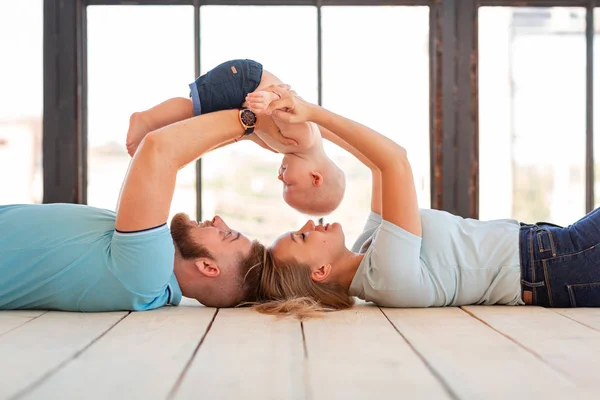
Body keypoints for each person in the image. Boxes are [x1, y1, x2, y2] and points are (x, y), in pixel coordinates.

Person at [253, 85, 600, 318]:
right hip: (557, 264)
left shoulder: (368, 252)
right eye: (301, 236)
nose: (309, 224)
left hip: (552, 253)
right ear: (320, 272)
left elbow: (376, 166)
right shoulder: (387, 276)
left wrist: (305, 131)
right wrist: (312, 114)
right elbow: (395, 161)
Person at [0, 109, 267, 312]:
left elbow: (158, 149)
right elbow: (154, 157)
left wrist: (251, 120)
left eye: (227, 234)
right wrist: (247, 133)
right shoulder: (145, 278)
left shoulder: (147, 272)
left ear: (207, 267)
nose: (219, 221)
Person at [125, 59, 345, 216]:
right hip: (245, 81)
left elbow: (251, 131)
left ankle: (154, 130)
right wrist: (269, 97)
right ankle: (145, 120)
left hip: (243, 89)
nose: (280, 179)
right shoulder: (305, 137)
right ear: (315, 177)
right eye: (288, 185)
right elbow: (287, 98)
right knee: (194, 109)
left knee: (197, 119)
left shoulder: (286, 148)